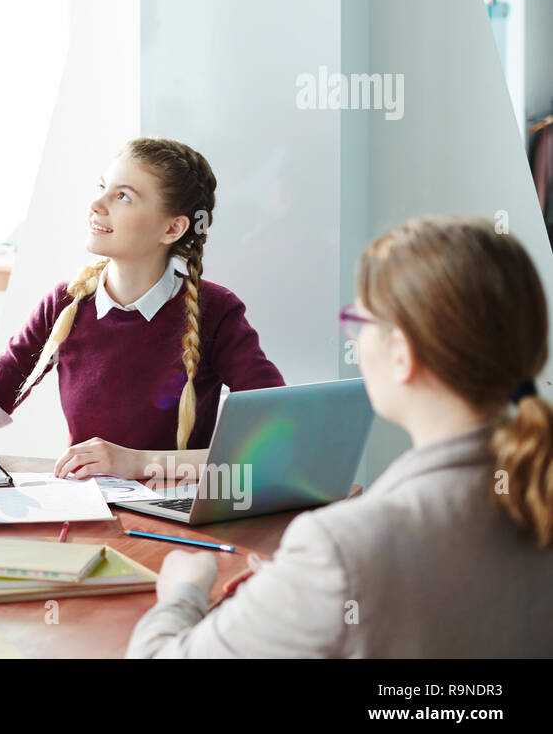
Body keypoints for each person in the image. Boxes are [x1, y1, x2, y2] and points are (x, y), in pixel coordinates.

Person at [127, 215, 553, 657]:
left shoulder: (343, 548)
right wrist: (298, 592)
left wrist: (184, 592)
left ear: (402, 355)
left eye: (359, 322)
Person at [0, 137, 284, 481]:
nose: (97, 204)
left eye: (123, 196)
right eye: (102, 187)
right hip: (84, 511)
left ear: (172, 228)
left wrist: (137, 463)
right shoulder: (63, 304)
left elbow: (277, 440)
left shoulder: (216, 311)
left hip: (176, 520)